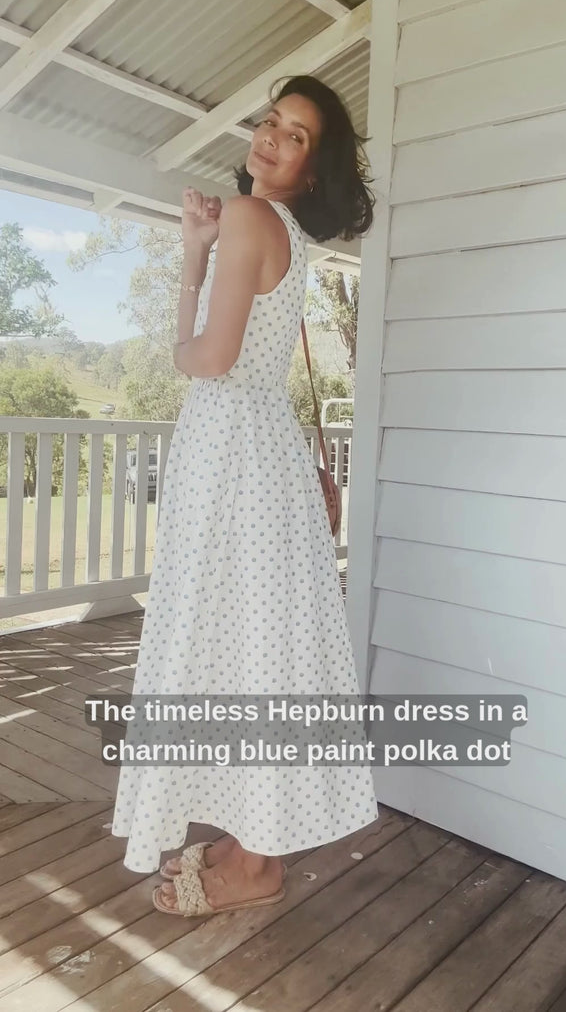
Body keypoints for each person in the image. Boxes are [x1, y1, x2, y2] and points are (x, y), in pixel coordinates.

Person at [111, 74, 380, 918]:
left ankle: (258, 866)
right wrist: (195, 251)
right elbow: (221, 348)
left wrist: (182, 348)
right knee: (258, 644)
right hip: (255, 457)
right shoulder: (277, 230)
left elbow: (207, 357)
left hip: (232, 455)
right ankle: (251, 836)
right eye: (270, 121)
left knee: (241, 644)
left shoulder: (254, 219)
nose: (270, 138)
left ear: (311, 168)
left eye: (295, 135)